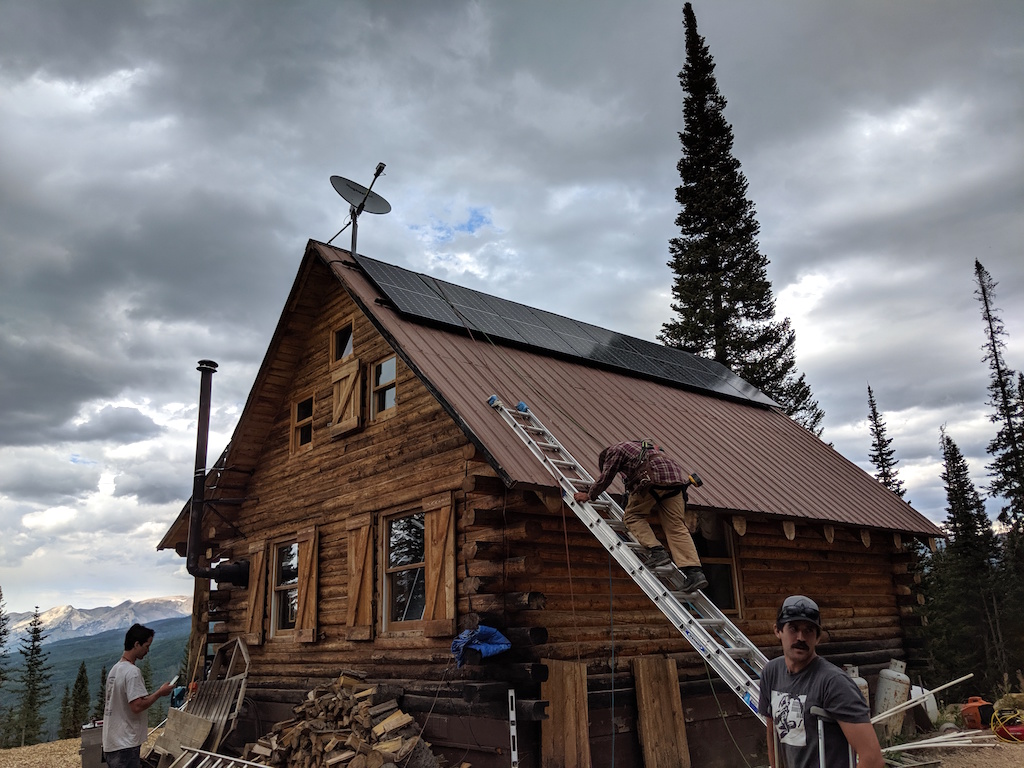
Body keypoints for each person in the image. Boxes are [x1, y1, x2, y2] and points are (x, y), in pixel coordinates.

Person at [759, 595, 884, 768]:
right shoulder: (771, 672)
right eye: (793, 629)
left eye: (809, 630)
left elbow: (872, 759)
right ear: (777, 631)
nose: (801, 637)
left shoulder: (834, 682)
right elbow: (772, 732)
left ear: (818, 637)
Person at [572, 439, 708, 592]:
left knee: (632, 516)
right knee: (676, 526)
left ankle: (657, 552)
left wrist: (589, 495)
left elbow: (606, 476)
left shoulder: (613, 451)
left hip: (652, 479)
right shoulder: (643, 449)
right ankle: (695, 573)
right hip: (676, 482)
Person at [102, 623, 174, 768]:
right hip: (125, 744)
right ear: (136, 644)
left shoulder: (115, 670)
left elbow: (129, 702)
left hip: (112, 743)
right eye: (146, 646)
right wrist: (159, 693)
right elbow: (136, 706)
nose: (148, 650)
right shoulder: (132, 672)